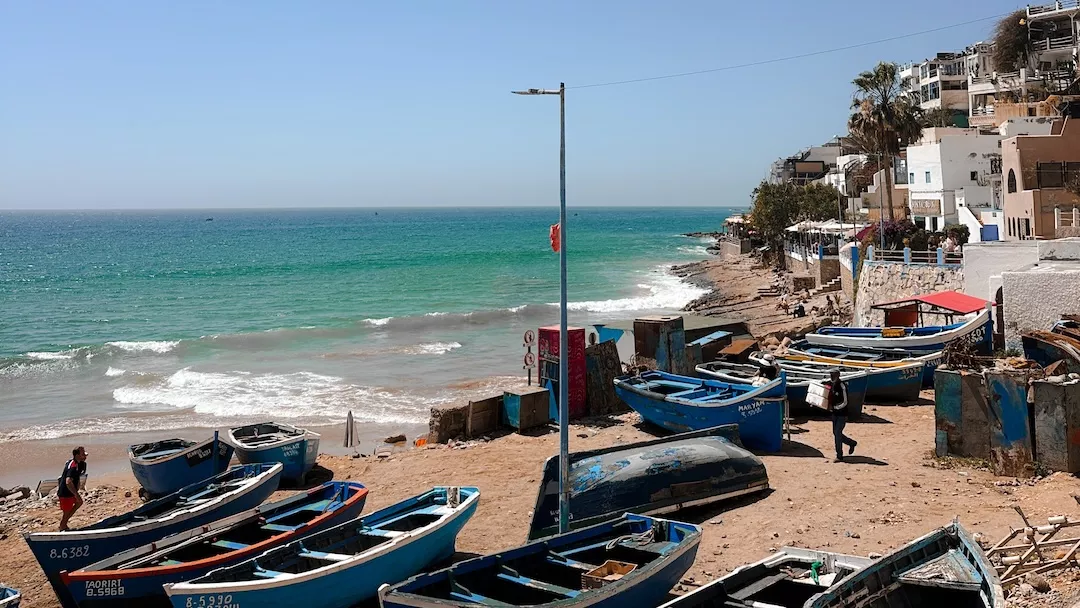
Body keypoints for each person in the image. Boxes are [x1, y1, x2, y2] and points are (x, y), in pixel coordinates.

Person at [825, 370, 857, 461]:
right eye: (831, 375)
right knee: (836, 433)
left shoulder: (842, 386)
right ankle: (851, 443)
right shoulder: (831, 385)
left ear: (838, 375)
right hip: (834, 413)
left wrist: (836, 407)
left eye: (833, 375)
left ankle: (839, 455)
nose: (832, 376)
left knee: (837, 433)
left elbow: (845, 401)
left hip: (842, 414)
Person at [58, 446, 88, 531]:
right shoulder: (73, 466)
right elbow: (68, 481)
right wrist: (76, 494)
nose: (85, 456)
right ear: (77, 455)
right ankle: (62, 526)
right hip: (65, 492)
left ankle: (63, 524)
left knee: (79, 502)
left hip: (72, 491)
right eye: (83, 454)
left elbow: (77, 476)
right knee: (66, 511)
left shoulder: (80, 464)